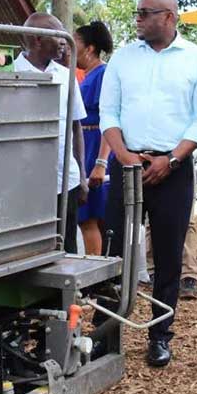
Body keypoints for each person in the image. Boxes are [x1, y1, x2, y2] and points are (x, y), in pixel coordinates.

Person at [99, 0, 197, 367]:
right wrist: (124, 155)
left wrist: (173, 158)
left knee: (168, 257)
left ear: (168, 17)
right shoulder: (122, 58)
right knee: (112, 250)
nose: (136, 19)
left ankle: (160, 335)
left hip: (174, 170)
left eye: (144, 13)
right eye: (136, 13)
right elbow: (108, 112)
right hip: (127, 164)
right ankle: (105, 335)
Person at [14, 13, 87, 254]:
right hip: (23, 182)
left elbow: (76, 126)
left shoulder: (66, 75)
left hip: (66, 179)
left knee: (66, 247)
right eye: (59, 36)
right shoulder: (9, 73)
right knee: (30, 248)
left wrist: (82, 176)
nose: (65, 42)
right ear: (37, 39)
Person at [144, 133, 197, 300]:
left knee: (186, 221)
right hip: (149, 156)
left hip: (181, 158)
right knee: (151, 220)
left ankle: (188, 275)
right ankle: (153, 271)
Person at [75, 20, 114, 256]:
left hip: (95, 147)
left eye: (75, 42)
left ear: (89, 48)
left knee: (88, 217)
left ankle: (94, 277)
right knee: (92, 217)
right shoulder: (84, 75)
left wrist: (101, 162)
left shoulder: (103, 74)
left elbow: (108, 120)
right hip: (85, 146)